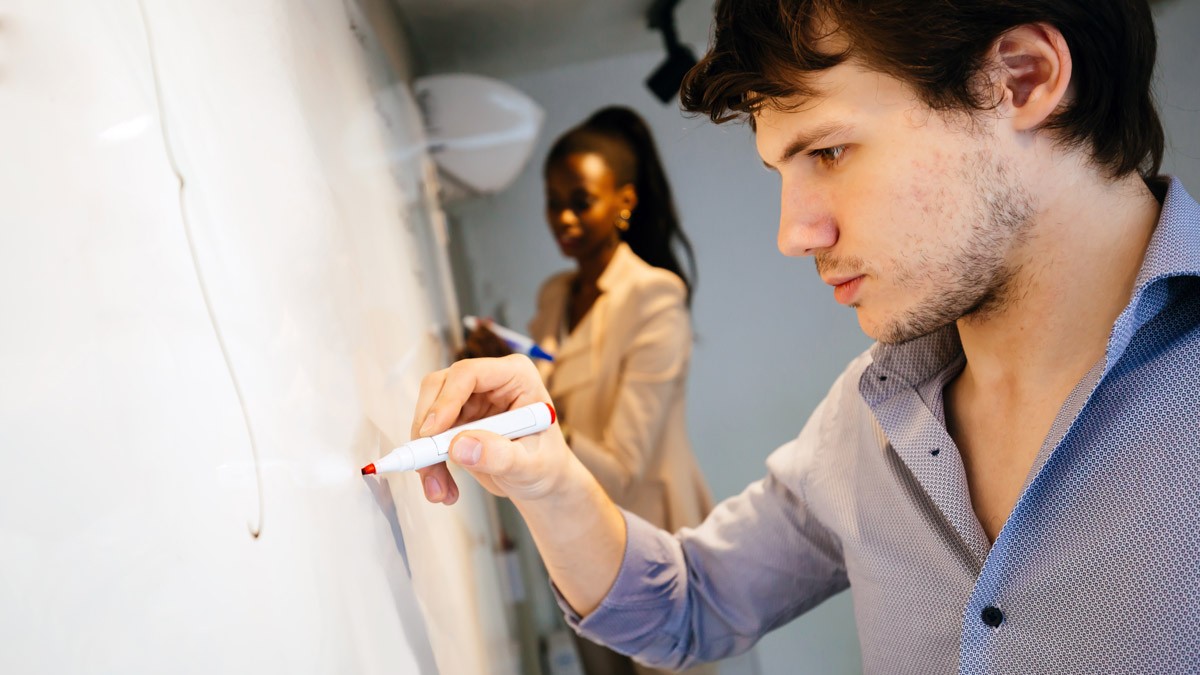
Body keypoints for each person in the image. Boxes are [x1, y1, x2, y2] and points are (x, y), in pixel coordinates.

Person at [413, 0, 1200, 672]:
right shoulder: (872, 414)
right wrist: (549, 476)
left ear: (1021, 78)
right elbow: (687, 605)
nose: (793, 232)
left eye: (828, 150)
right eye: (782, 171)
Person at [459, 106, 715, 675]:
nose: (563, 218)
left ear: (624, 201)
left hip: (652, 539)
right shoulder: (556, 294)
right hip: (572, 534)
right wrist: (495, 372)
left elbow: (622, 467)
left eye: (581, 200)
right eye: (553, 201)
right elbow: (542, 398)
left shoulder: (655, 297)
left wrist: (520, 403)